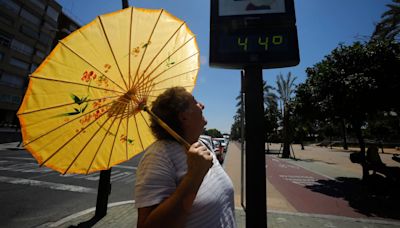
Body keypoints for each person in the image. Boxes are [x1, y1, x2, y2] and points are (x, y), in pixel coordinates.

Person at [135, 86, 236, 228]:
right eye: (195, 102)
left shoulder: (203, 143)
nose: (202, 105)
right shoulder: (158, 156)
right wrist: (194, 175)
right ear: (184, 117)